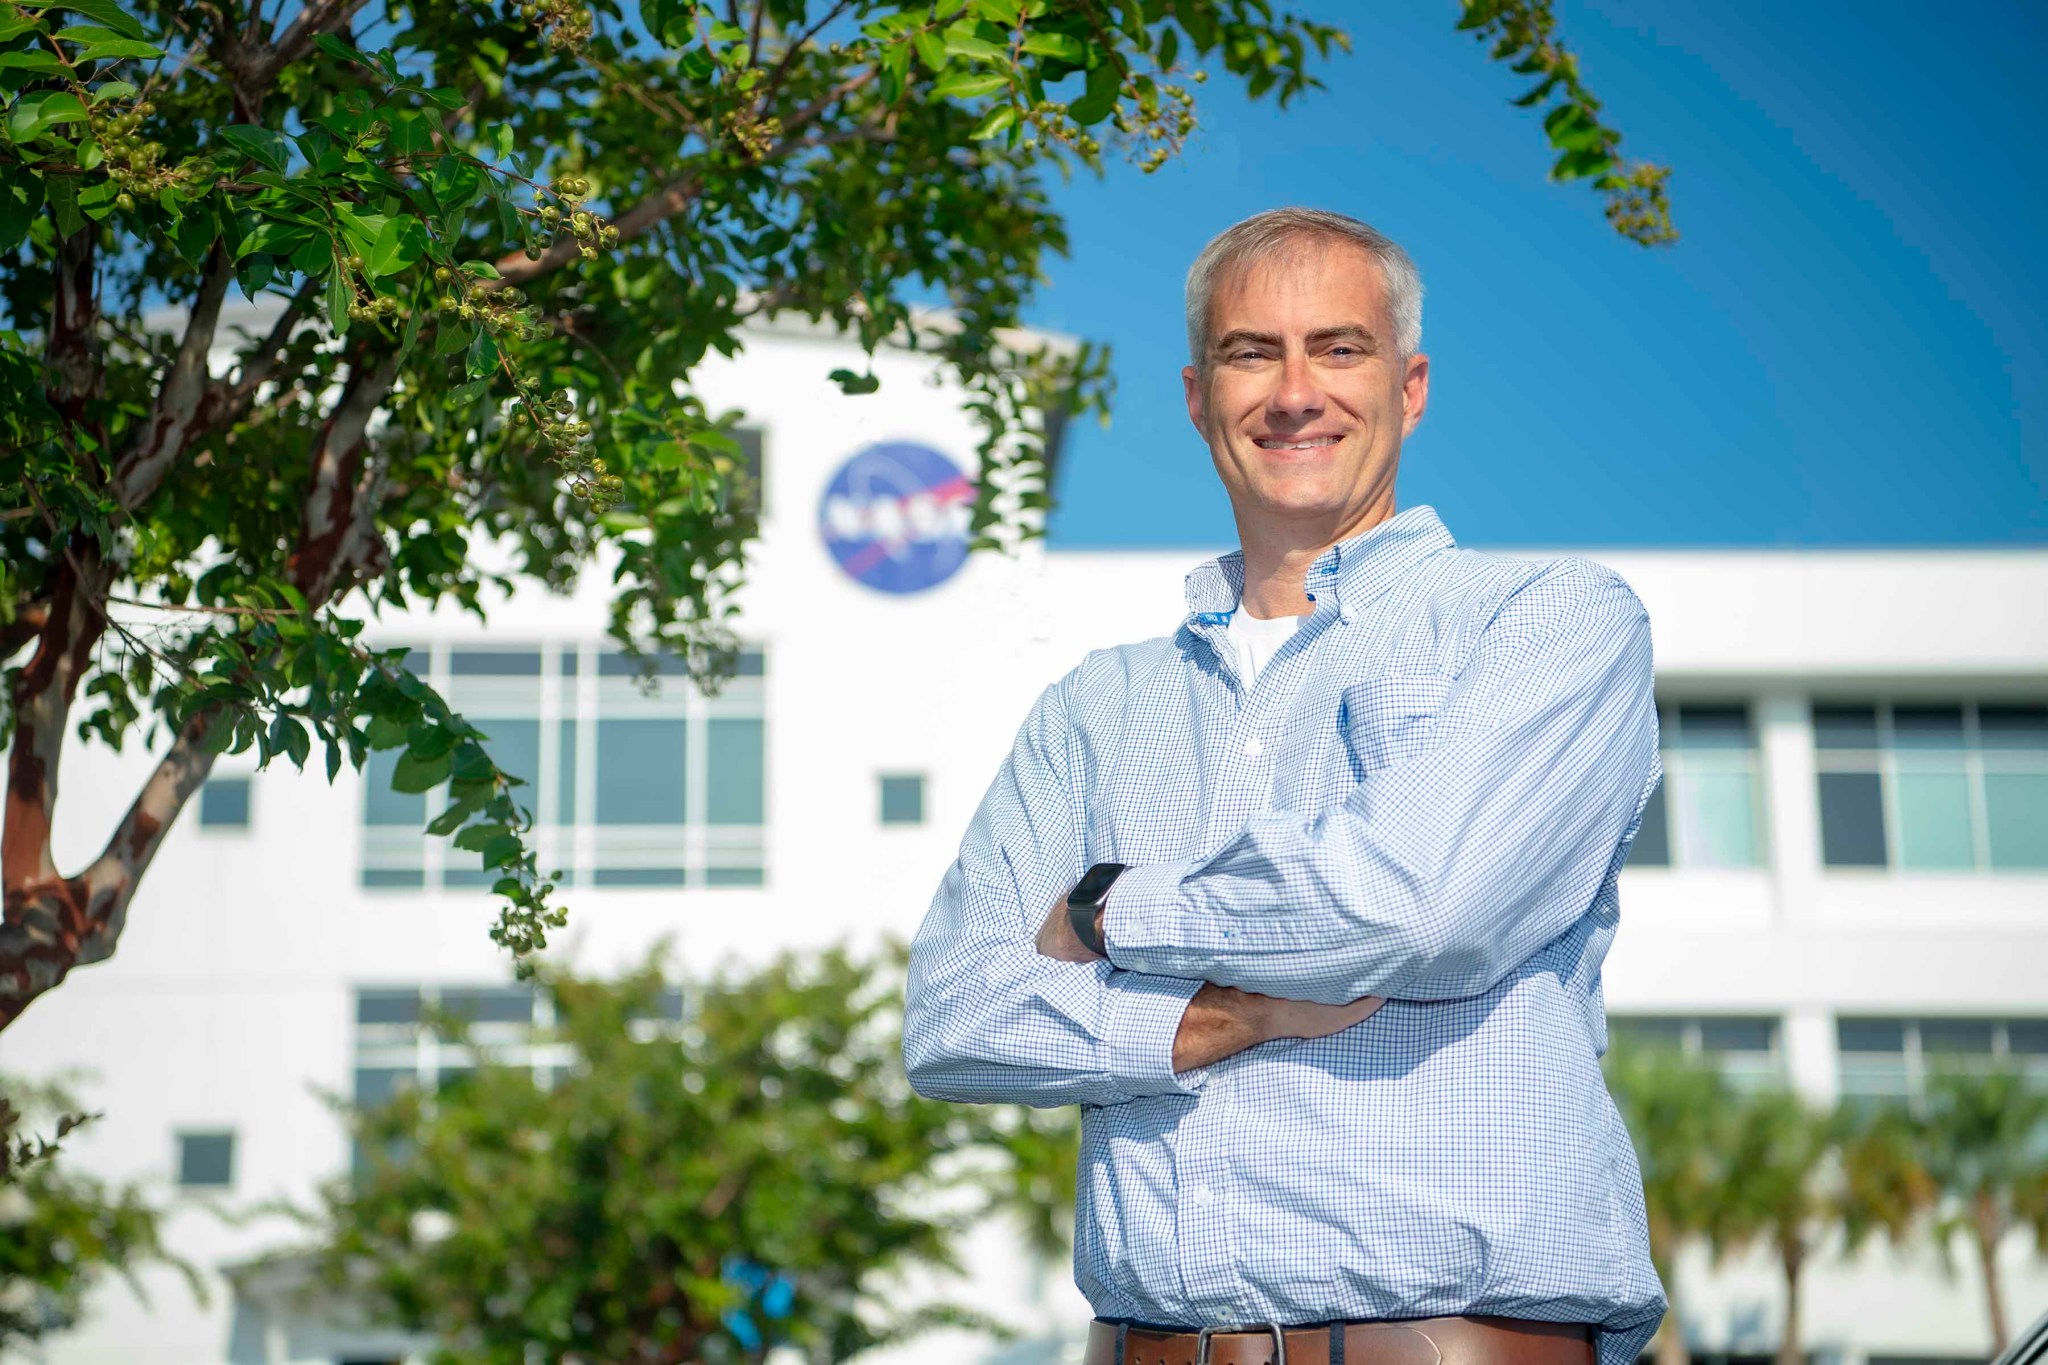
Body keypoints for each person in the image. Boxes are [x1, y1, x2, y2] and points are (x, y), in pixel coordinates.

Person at [902, 207, 1667, 1365]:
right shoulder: (1092, 706)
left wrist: (1108, 911)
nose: (1293, 392)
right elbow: (953, 1019)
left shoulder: (1545, 620)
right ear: (1197, 395)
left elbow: (1411, 905)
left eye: (1338, 349)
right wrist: (1221, 1016)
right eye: (1250, 352)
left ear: (1408, 388)